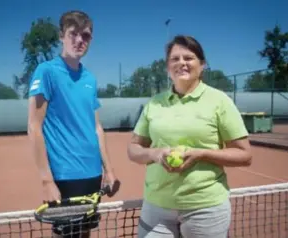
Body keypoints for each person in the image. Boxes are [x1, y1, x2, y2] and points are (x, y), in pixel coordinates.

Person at [127, 35, 252, 238]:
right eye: (175, 59)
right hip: (156, 205)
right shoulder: (154, 103)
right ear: (168, 67)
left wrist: (200, 153)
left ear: (202, 65)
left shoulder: (220, 101)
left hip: (205, 208)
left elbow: (245, 155)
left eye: (189, 57)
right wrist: (156, 153)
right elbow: (133, 149)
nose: (181, 63)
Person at [28, 10, 120, 238]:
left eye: (86, 36)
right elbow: (34, 127)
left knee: (85, 233)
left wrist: (109, 170)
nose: (80, 40)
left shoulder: (90, 78)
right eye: (74, 34)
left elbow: (96, 128)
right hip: (65, 175)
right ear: (62, 35)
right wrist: (47, 180)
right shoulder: (46, 71)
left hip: (92, 174)